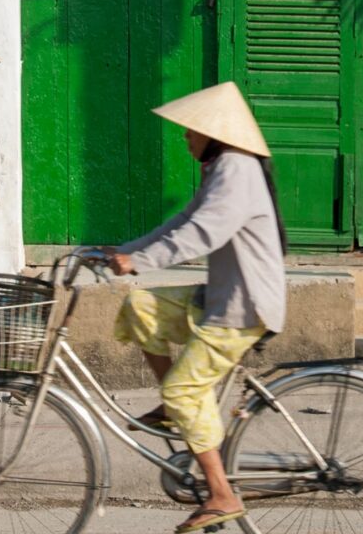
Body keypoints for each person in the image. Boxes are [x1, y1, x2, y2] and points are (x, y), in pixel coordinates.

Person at [109, 81, 287, 534]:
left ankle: (222, 494)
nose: (185, 137)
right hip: (221, 296)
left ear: (215, 132)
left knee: (185, 391)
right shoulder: (222, 168)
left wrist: (141, 260)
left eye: (191, 130)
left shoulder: (237, 170)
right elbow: (184, 220)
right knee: (142, 303)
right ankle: (179, 412)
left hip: (243, 308)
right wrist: (123, 250)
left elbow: (203, 234)